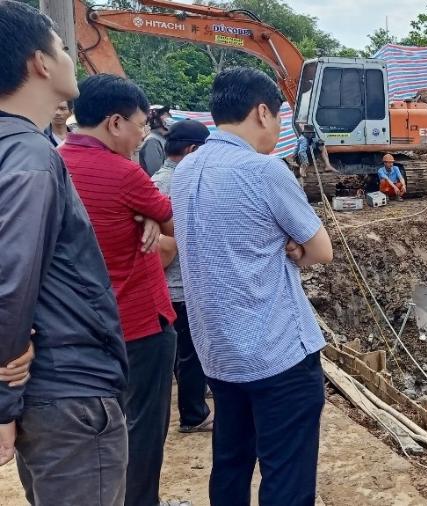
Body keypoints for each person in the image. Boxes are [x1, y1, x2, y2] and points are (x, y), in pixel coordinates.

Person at [171, 66, 333, 506]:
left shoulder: (185, 171)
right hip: (276, 352)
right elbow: (321, 250)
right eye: (279, 117)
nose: (278, 128)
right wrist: (293, 249)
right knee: (287, 474)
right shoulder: (263, 170)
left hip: (219, 354)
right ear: (262, 112)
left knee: (231, 462)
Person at [0, 3, 128, 504]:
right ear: (41, 63)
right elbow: (11, 279)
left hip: (48, 392)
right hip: (68, 393)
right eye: (62, 47)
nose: (72, 58)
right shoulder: (31, 159)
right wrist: (4, 400)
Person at [60, 74, 179, 506]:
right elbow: (173, 223)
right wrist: (152, 215)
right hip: (140, 323)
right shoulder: (125, 173)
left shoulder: (56, 161)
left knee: (102, 428)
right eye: (139, 123)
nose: (142, 133)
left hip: (83, 329)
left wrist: (149, 215)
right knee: (143, 428)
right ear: (114, 123)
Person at [150, 119, 214, 435]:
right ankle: (194, 414)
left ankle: (197, 394)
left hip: (162, 284)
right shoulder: (182, 184)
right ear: (191, 150)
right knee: (192, 351)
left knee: (180, 351)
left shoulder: (154, 180)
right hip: (182, 283)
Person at [139, 104, 172, 176]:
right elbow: (156, 173)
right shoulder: (152, 141)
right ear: (155, 120)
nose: (169, 118)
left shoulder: (164, 139)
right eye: (166, 115)